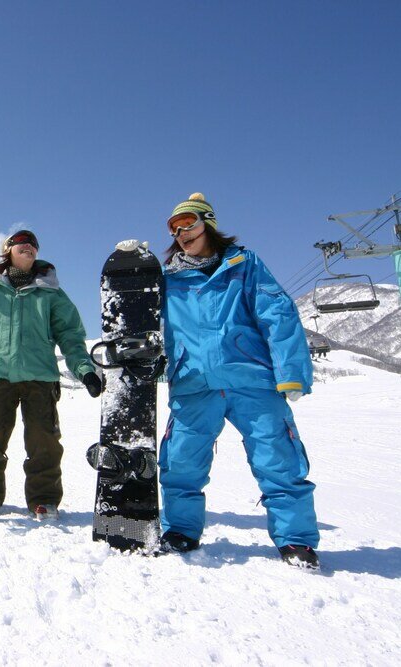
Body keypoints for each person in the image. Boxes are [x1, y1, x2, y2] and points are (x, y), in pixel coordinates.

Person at [159, 193, 320, 569]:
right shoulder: (167, 279)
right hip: (193, 383)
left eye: (190, 224)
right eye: (175, 228)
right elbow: (147, 326)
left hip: (251, 380)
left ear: (208, 224)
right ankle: (180, 530)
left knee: (278, 459)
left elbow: (277, 314)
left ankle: (295, 539)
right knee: (181, 462)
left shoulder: (243, 264)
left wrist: (291, 372)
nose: (183, 233)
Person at [0, 230, 103, 520]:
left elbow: (70, 334)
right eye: (22, 242)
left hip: (40, 377)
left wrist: (85, 370)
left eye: (33, 244)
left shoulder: (51, 291)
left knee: (44, 442)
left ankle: (44, 499)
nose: (30, 246)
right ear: (8, 250)